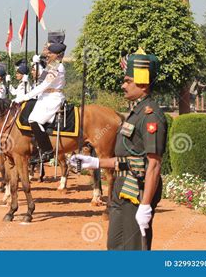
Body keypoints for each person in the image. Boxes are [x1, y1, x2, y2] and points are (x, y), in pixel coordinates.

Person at [69, 48, 167, 250]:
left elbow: (154, 165)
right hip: (120, 188)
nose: (123, 85)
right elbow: (127, 159)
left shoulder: (150, 116)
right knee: (115, 246)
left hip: (136, 191)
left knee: (133, 249)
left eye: (128, 81)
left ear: (143, 83)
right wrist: (95, 162)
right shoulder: (135, 113)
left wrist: (146, 205)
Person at [14, 31, 66, 164]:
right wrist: (37, 64)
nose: (48, 55)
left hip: (53, 97)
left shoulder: (58, 67)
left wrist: (24, 97)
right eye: (48, 53)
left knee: (34, 120)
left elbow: (44, 85)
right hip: (45, 97)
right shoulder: (52, 65)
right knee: (31, 119)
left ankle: (47, 151)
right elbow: (41, 80)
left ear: (58, 55)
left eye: (50, 53)